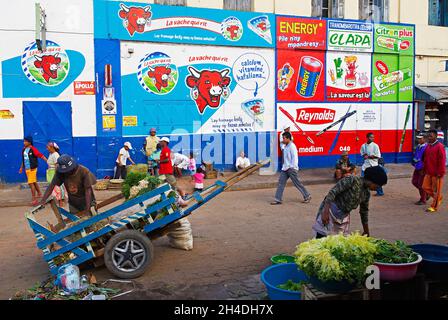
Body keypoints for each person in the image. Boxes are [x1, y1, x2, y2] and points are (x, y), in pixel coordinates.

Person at [312, 166, 388, 238]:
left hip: (343, 216)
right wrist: (325, 212)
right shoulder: (352, 180)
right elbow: (332, 193)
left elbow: (364, 212)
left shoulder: (366, 193)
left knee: (337, 242)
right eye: (378, 186)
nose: (378, 188)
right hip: (331, 210)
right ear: (372, 180)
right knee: (322, 236)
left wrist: (366, 231)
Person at [271, 132, 311, 205]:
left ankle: (307, 196)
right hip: (285, 168)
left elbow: (295, 158)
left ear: (288, 138)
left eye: (284, 138)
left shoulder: (292, 146)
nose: (283, 139)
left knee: (297, 183)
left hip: (291, 168)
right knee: (281, 183)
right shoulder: (285, 146)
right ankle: (278, 199)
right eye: (282, 138)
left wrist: (293, 168)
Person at [422, 129, 446, 213]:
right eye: (428, 136)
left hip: (437, 174)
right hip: (428, 172)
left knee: (436, 190)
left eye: (431, 136)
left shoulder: (440, 146)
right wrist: (424, 169)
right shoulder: (428, 146)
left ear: (436, 137)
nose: (429, 137)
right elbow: (425, 159)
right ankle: (438, 198)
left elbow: (442, 161)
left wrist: (441, 172)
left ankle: (434, 206)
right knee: (425, 187)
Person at [19, 136, 47, 206]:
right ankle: (40, 193)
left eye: (25, 141)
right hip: (27, 169)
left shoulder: (33, 149)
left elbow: (40, 155)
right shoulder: (23, 149)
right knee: (34, 182)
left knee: (31, 183)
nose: (24, 142)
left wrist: (48, 161)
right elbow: (23, 159)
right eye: (24, 141)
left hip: (33, 169)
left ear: (29, 142)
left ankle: (34, 199)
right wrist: (21, 167)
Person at [46, 142, 66, 207]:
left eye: (48, 147)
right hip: (51, 173)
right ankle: (60, 202)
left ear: (52, 147)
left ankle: (61, 202)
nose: (47, 148)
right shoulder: (51, 154)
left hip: (55, 173)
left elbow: (57, 165)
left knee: (58, 188)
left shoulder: (55, 154)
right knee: (55, 188)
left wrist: (57, 175)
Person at [411, 134, 428, 205]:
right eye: (418, 138)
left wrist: (423, 168)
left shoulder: (426, 147)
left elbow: (427, 159)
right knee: (414, 181)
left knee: (420, 184)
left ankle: (423, 199)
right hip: (417, 167)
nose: (419, 140)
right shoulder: (418, 146)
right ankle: (426, 194)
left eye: (420, 138)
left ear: (424, 139)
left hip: (422, 168)